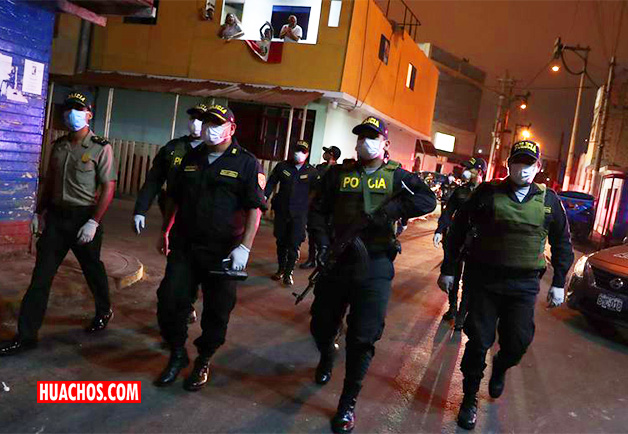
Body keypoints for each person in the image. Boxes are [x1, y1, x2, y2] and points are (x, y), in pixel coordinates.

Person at [310, 116, 437, 433]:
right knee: (321, 324)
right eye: (361, 137)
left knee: (363, 336)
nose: (366, 142)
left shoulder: (397, 176)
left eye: (372, 137)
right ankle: (327, 352)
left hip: (376, 264)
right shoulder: (338, 174)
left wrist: (393, 210)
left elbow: (427, 199)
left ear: (385, 143)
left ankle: (347, 402)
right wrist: (322, 244)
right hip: (338, 260)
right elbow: (317, 211)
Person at [437, 140, 574, 430]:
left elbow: (562, 242)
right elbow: (458, 228)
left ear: (538, 167)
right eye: (518, 162)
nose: (523, 168)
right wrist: (449, 268)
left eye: (529, 163)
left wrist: (559, 282)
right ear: (509, 164)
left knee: (518, 342)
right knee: (478, 342)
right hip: (485, 281)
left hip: (523, 286)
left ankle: (501, 365)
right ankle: (469, 399)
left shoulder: (549, 201)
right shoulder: (487, 193)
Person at [154, 104, 266, 391]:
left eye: (216, 124)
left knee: (217, 312)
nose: (209, 129)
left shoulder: (246, 163)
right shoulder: (191, 157)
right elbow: (174, 198)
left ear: (231, 128)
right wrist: (165, 230)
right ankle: (177, 353)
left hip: (223, 251)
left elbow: (255, 208)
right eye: (206, 123)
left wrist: (245, 248)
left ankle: (203, 359)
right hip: (186, 246)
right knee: (169, 300)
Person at [0, 91, 117, 356]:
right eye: (69, 108)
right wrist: (38, 212)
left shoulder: (101, 147)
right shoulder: (59, 146)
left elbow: (108, 187)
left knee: (92, 269)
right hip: (56, 219)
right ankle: (26, 336)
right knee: (40, 278)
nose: (72, 113)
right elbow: (50, 182)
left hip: (84, 218)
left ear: (89, 114)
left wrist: (93, 221)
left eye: (78, 108)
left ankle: (104, 309)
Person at [133, 103, 209, 324]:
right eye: (193, 118)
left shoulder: (215, 152)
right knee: (177, 261)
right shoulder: (173, 148)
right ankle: (178, 305)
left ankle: (186, 302)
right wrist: (140, 210)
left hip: (205, 219)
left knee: (195, 264)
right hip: (174, 215)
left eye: (201, 119)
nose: (196, 123)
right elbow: (154, 180)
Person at [433, 157, 486, 330]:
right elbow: (448, 212)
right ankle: (453, 307)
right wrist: (440, 230)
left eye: (470, 169)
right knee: (453, 276)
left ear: (480, 171)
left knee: (469, 279)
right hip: (457, 239)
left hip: (476, 244)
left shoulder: (487, 192)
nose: (465, 171)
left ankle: (462, 314)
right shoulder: (460, 191)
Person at [264, 140, 318, 286]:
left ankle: (288, 273)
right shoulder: (282, 166)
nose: (299, 153)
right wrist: (264, 197)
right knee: (281, 241)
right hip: (282, 211)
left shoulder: (311, 171)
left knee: (294, 243)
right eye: (297, 150)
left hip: (299, 214)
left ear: (307, 154)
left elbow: (316, 190)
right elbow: (271, 182)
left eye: (302, 151)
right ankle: (281, 269)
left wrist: (309, 204)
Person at [300, 146, 341, 269]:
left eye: (327, 152)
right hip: (315, 204)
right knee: (312, 231)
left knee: (325, 233)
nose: (324, 154)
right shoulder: (320, 167)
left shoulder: (337, 170)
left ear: (332, 154)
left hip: (328, 207)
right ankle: (312, 258)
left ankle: (324, 258)